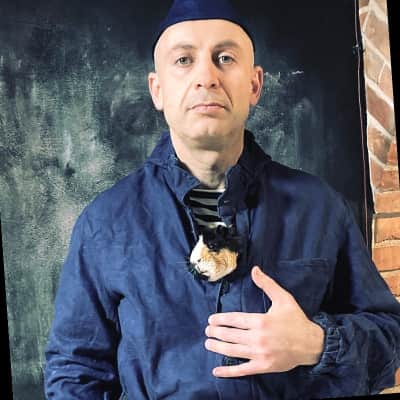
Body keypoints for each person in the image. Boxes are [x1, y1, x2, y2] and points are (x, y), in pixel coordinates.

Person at [44, 0, 400, 399]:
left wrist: (317, 343)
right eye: (184, 60)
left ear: (254, 85)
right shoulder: (105, 223)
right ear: (157, 90)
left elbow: (389, 340)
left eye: (225, 58)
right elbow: (74, 371)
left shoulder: (320, 207)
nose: (206, 77)